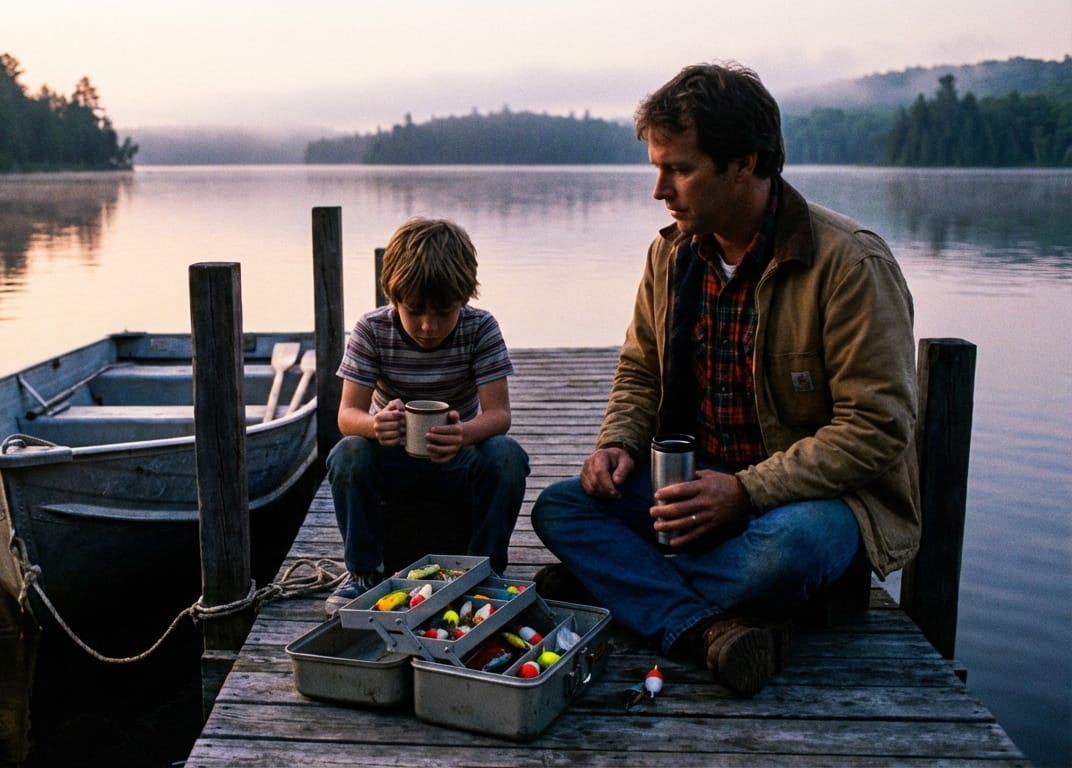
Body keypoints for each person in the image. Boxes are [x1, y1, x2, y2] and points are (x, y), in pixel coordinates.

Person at [530, 62, 920, 697]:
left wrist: (744, 491)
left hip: (813, 505)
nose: (660, 189)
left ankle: (628, 585)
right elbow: (639, 370)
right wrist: (618, 444)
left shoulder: (851, 264)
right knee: (561, 508)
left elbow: (877, 429)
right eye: (658, 167)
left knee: (786, 551)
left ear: (745, 164)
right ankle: (705, 626)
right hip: (694, 490)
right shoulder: (669, 254)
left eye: (679, 169)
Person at [324, 217, 530, 616]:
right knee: (348, 453)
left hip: (456, 464)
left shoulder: (481, 328)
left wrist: (464, 434)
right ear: (393, 295)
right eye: (414, 310)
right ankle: (364, 574)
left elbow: (499, 416)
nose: (428, 326)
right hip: (395, 464)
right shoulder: (371, 329)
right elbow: (347, 416)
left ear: (465, 297)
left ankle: (485, 574)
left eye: (444, 312)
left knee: (507, 455)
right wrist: (375, 424)